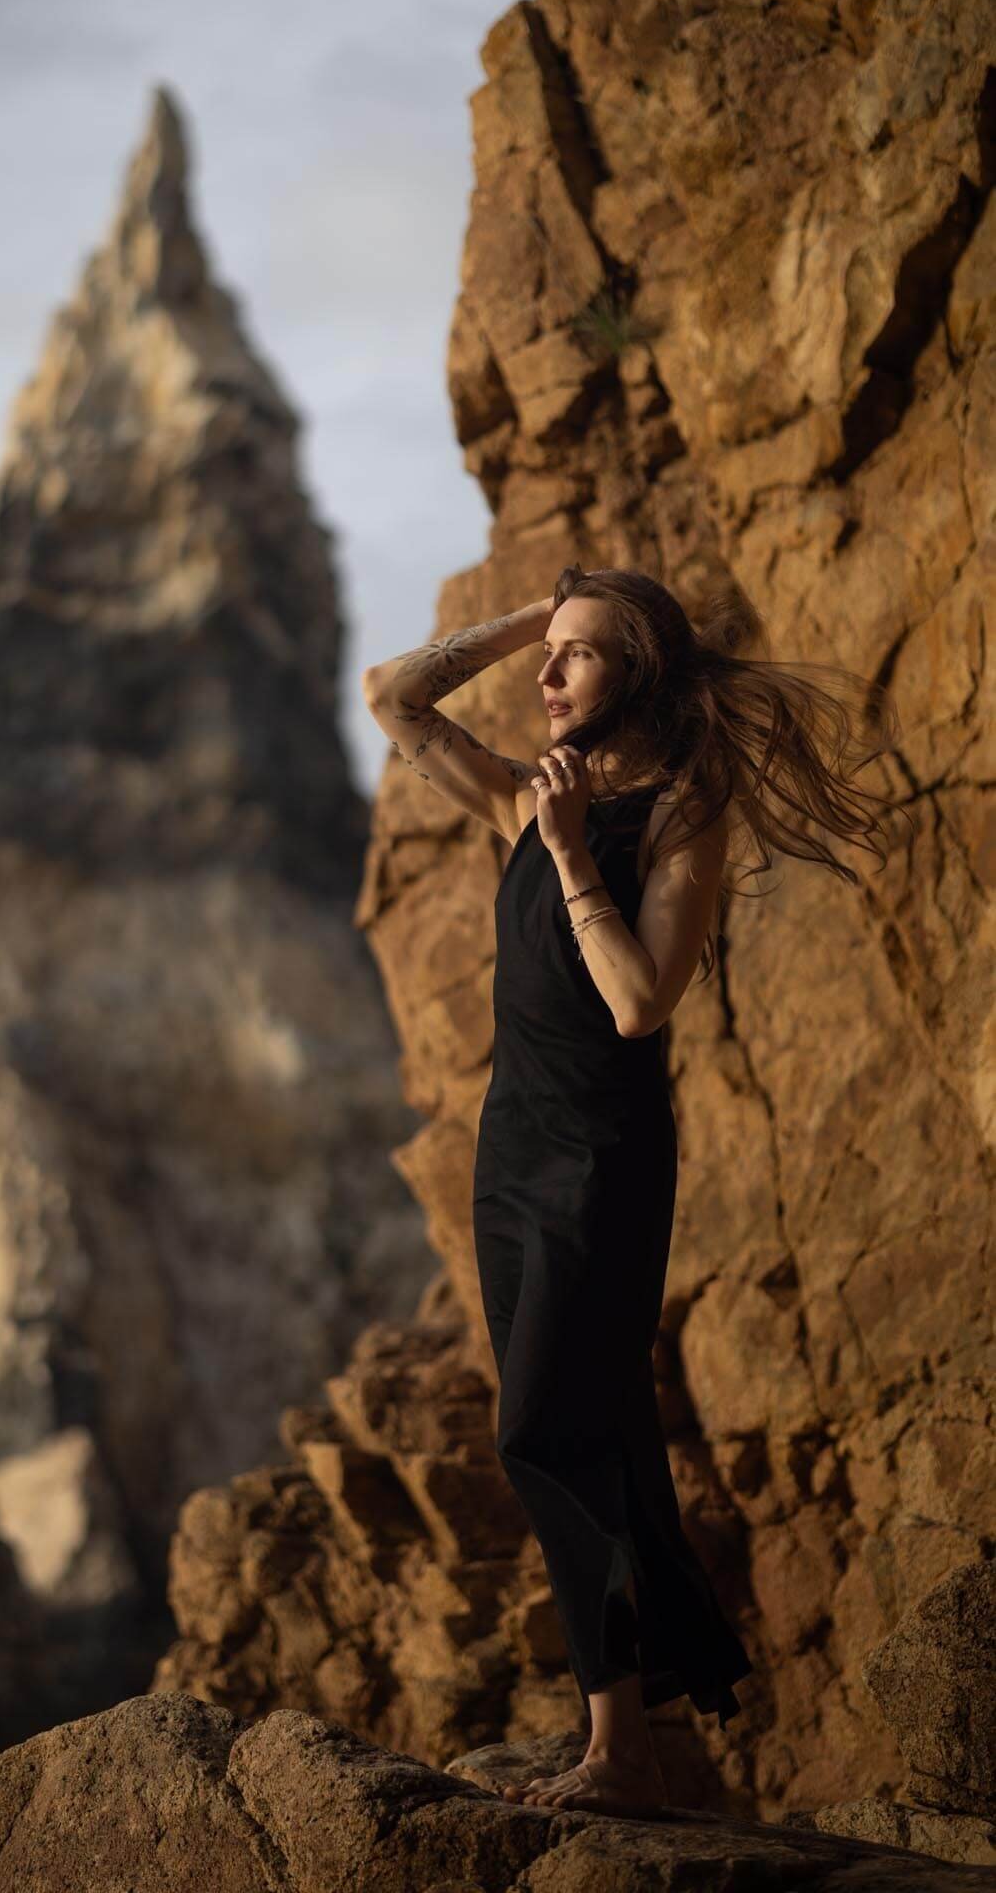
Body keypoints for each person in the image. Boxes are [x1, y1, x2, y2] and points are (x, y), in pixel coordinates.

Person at [362, 565, 902, 1815]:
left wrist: (562, 853)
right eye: (547, 655)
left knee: (543, 1428)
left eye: (579, 657)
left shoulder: (673, 814)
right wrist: (534, 616)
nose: (546, 677)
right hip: (511, 1153)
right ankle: (640, 1739)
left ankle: (622, 1747)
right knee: (588, 1427)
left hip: (601, 1157)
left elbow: (636, 998)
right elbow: (396, 699)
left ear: (641, 678)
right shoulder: (524, 793)